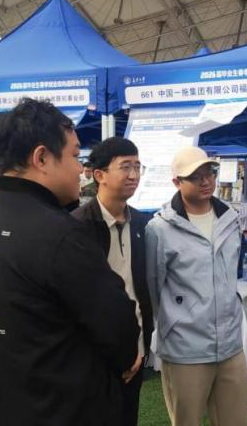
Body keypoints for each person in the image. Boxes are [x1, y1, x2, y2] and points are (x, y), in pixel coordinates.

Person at [0, 99, 139, 426]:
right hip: (58, 406)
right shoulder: (60, 234)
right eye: (74, 155)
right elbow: (119, 327)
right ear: (41, 158)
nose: (80, 169)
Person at [145, 146, 247, 426]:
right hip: (185, 349)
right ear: (176, 182)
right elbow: (153, 288)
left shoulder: (230, 219)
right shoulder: (160, 228)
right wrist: (176, 322)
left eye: (210, 173)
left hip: (230, 345)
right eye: (195, 176)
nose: (206, 181)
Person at [71, 137, 153, 426]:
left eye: (137, 167)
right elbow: (82, 302)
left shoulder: (142, 223)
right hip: (96, 356)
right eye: (125, 167)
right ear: (99, 175)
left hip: (137, 347)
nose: (133, 175)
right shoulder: (78, 227)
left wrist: (139, 348)